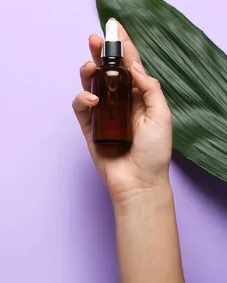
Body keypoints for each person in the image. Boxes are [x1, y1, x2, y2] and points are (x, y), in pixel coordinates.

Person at [72, 20, 185, 283]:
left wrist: (146, 186)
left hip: (135, 162)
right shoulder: (105, 75)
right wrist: (140, 191)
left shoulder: (121, 76)